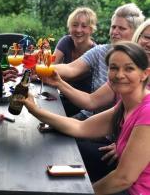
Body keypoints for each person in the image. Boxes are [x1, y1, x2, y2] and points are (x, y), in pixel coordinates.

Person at [22, 42, 150, 195]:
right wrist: (35, 110)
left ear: (145, 74)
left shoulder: (147, 112)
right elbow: (81, 127)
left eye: (129, 68)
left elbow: (123, 178)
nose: (119, 74)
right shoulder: (125, 104)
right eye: (114, 68)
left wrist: (86, 192)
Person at [54, 3, 145, 120]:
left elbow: (92, 101)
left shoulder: (140, 63)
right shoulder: (101, 51)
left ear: (136, 32)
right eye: (113, 27)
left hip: (111, 128)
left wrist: (57, 82)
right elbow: (71, 68)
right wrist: (42, 68)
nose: (115, 31)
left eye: (121, 28)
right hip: (89, 115)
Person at [53, 7, 97, 116]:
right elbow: (52, 64)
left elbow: (70, 75)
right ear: (69, 27)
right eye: (75, 25)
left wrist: (46, 71)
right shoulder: (66, 41)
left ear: (91, 29)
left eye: (84, 26)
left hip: (83, 106)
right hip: (63, 97)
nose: (78, 30)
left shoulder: (96, 52)